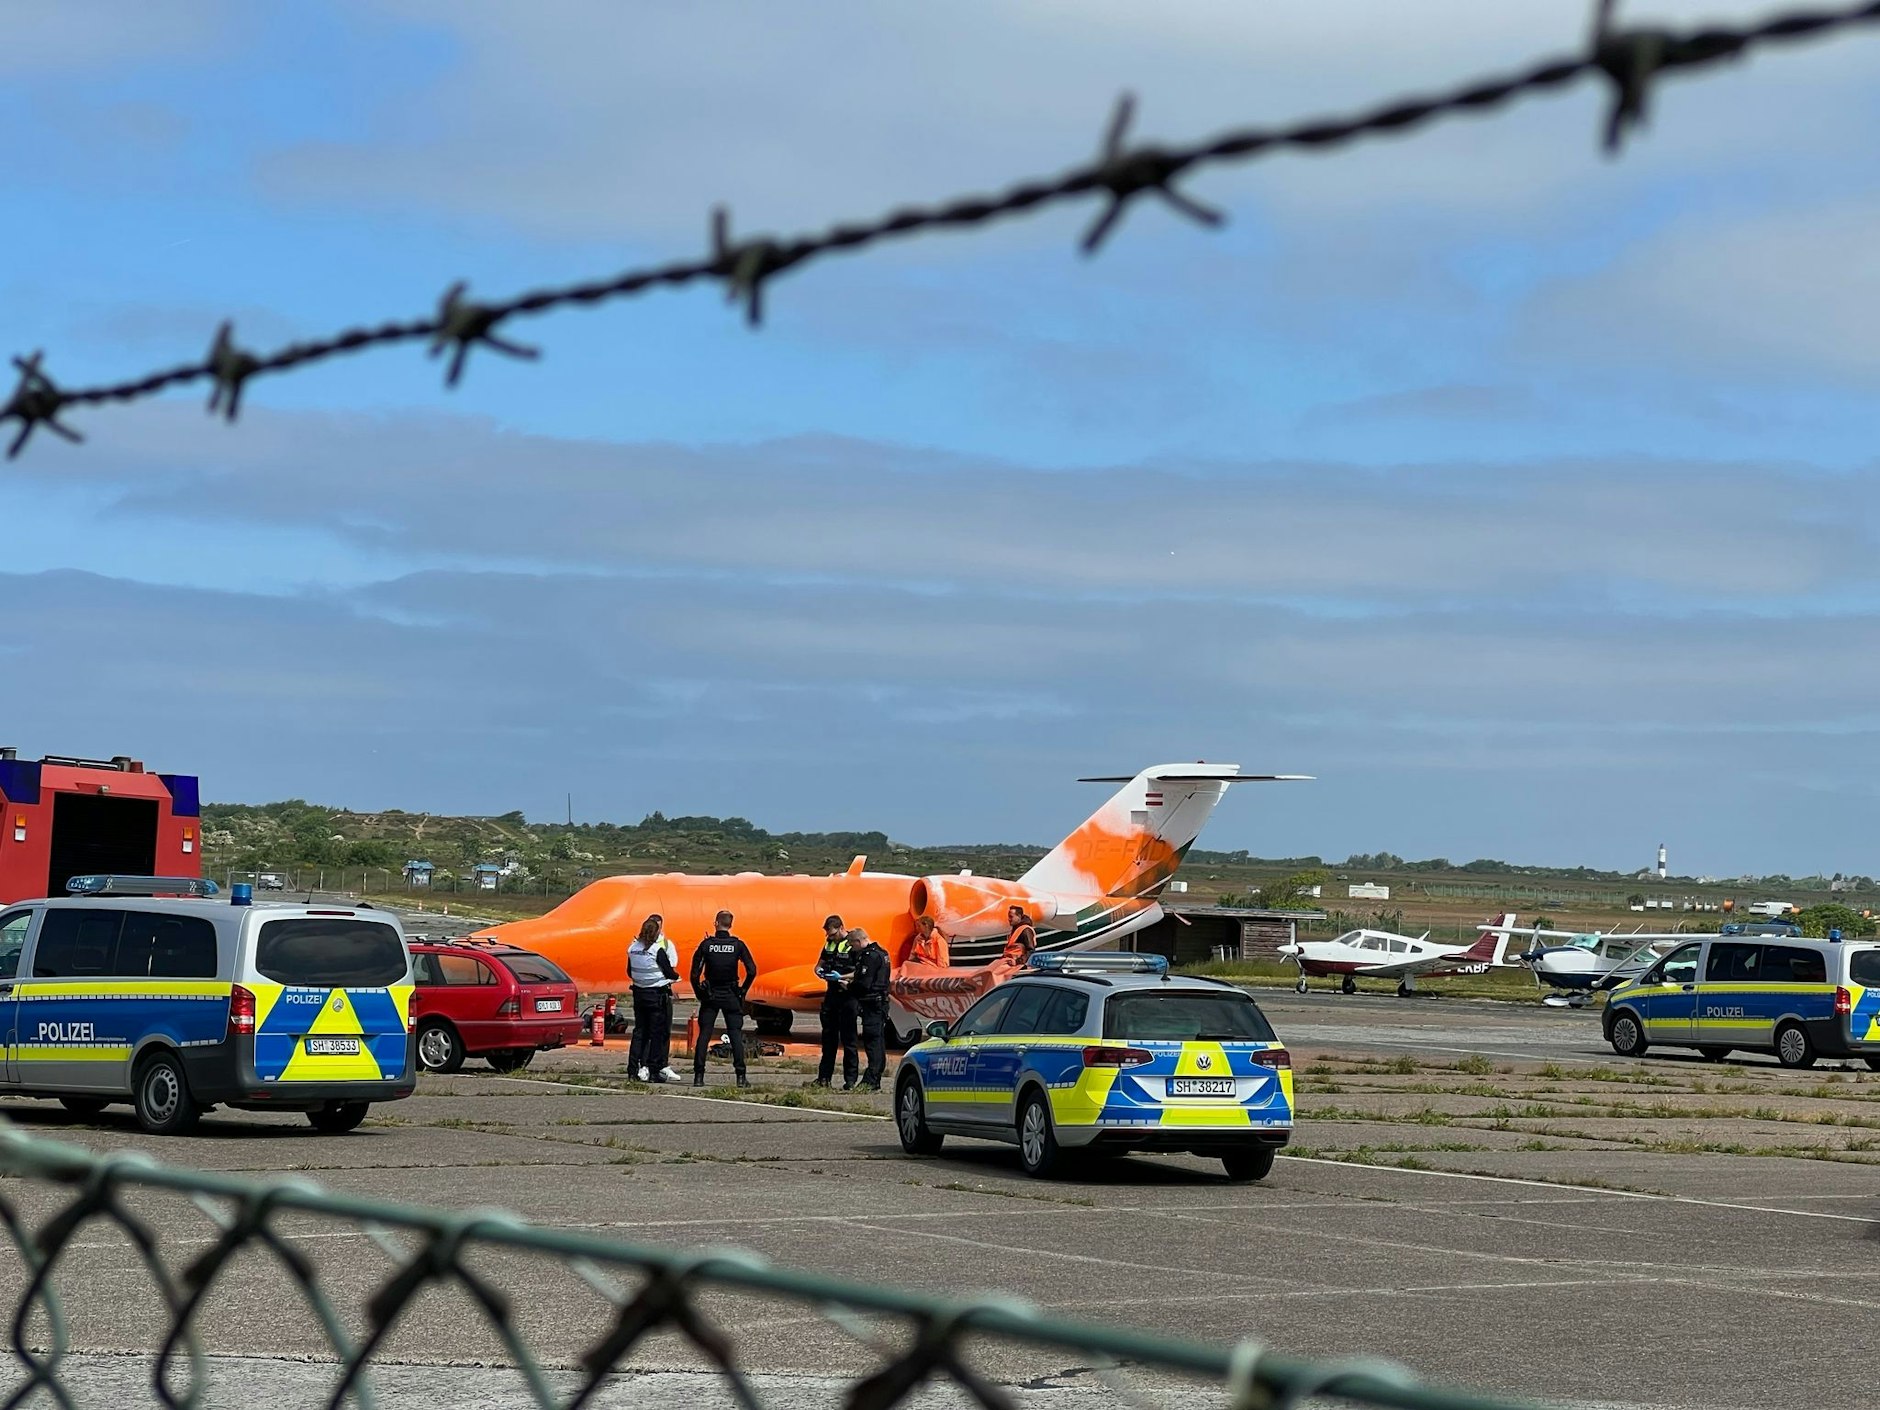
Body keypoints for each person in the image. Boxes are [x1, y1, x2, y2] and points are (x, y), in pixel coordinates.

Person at [689, 910, 757, 1087]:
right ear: (731, 925)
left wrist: (699, 992)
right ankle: (741, 1077)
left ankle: (699, 1076)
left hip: (711, 994)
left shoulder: (706, 945)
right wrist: (743, 990)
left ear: (716, 923)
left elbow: (694, 973)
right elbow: (752, 970)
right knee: (735, 1035)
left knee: (704, 1034)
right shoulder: (738, 945)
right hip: (731, 994)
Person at [625, 914, 680, 1083]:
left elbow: (629, 971)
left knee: (639, 1032)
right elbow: (669, 971)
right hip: (656, 994)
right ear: (657, 933)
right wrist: (675, 976)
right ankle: (654, 1070)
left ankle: (632, 1069)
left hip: (639, 994)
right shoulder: (657, 950)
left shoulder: (632, 948)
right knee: (657, 1033)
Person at [811, 914, 859, 1090]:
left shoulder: (852, 944)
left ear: (840, 928)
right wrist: (819, 971)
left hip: (848, 995)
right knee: (828, 1039)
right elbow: (819, 964)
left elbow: (860, 971)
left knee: (849, 1040)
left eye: (831, 934)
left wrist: (842, 977)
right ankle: (824, 1078)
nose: (829, 938)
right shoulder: (829, 944)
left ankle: (851, 1080)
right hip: (831, 995)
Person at [847, 926, 892, 1091]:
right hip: (881, 1002)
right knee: (878, 1041)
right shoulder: (883, 953)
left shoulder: (869, 956)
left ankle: (872, 1078)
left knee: (873, 1042)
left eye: (852, 945)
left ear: (858, 941)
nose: (852, 949)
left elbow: (864, 984)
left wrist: (849, 986)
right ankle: (875, 1077)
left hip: (872, 1003)